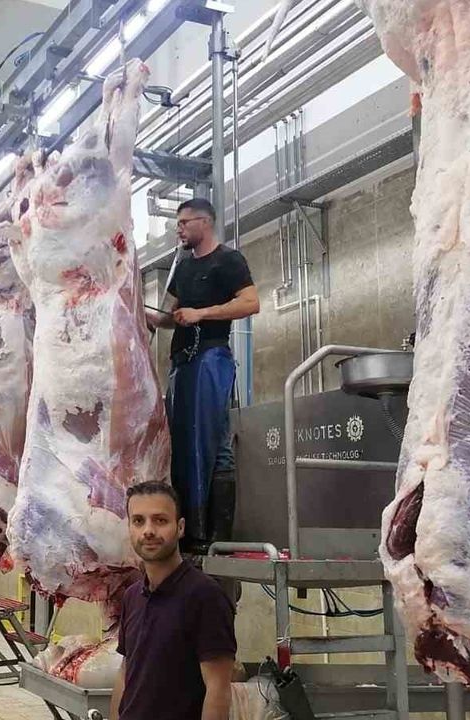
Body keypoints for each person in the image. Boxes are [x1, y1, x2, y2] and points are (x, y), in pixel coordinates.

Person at [146, 197, 260, 551]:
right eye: (177, 223)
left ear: (204, 222)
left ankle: (216, 534)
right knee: (182, 443)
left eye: (184, 222)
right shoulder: (182, 268)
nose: (178, 229)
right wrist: (142, 312)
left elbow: (251, 302)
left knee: (213, 442)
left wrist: (202, 313)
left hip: (211, 358)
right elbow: (167, 317)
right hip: (182, 363)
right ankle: (189, 529)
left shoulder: (228, 260)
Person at [111, 481, 237, 720]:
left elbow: (218, 690)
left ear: (180, 528)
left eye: (160, 520)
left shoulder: (205, 596)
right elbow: (126, 672)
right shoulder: (132, 596)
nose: (148, 531)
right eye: (138, 521)